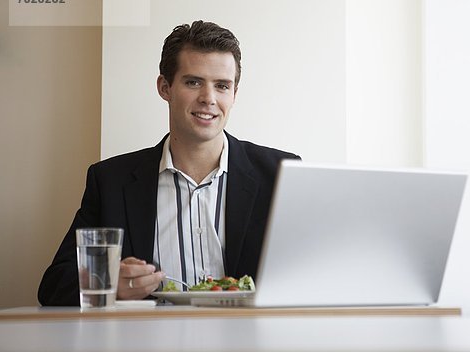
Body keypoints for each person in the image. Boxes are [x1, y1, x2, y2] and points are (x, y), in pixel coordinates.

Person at [38, 20, 300, 306]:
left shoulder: (282, 174)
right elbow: (53, 285)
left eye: (222, 86)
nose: (208, 99)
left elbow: (314, 273)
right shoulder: (111, 181)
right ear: (165, 87)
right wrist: (110, 282)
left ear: (234, 94)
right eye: (193, 82)